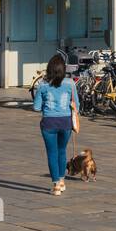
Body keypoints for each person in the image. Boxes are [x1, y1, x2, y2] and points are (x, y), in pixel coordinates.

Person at [32, 53, 78, 195]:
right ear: (64, 69)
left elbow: (36, 107)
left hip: (49, 123)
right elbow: (77, 104)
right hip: (65, 122)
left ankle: (56, 185)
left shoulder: (43, 85)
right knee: (62, 151)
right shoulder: (70, 84)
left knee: (52, 153)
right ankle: (62, 180)